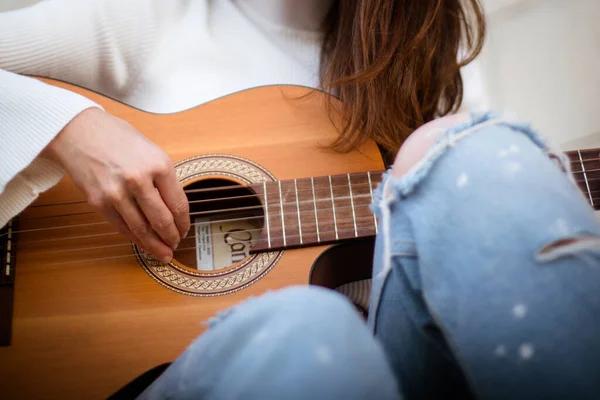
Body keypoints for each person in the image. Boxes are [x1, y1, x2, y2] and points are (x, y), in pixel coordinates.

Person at [1, 1, 599, 399]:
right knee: (307, 326)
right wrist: (72, 128)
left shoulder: (427, 73)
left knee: (469, 149)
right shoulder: (146, 18)